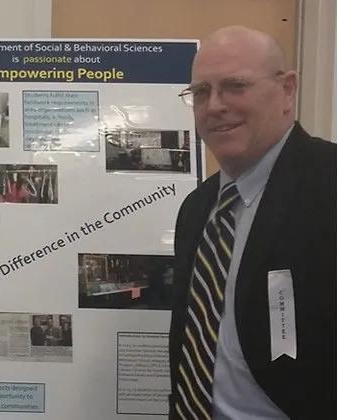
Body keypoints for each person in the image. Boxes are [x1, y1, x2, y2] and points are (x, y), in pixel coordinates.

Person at [168, 26, 335, 420]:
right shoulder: (197, 209)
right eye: (201, 92)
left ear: (288, 90)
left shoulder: (330, 186)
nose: (215, 106)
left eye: (235, 86)